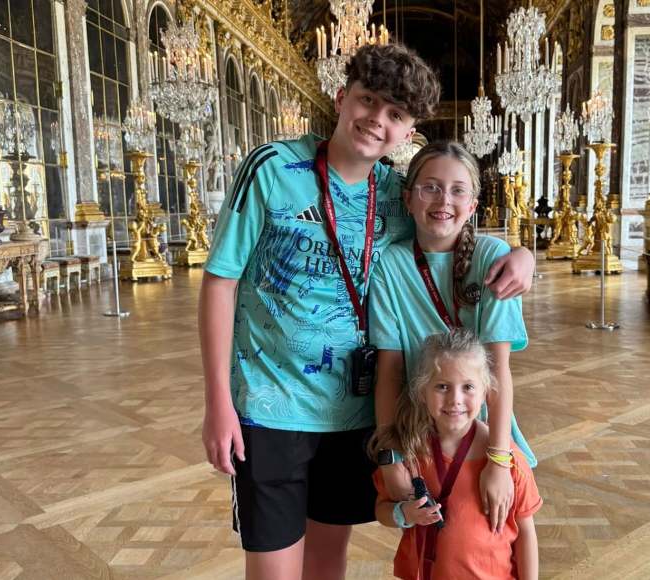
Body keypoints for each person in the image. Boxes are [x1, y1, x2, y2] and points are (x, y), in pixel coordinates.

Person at [199, 44, 536, 580]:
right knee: (272, 569)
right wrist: (218, 401)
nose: (377, 119)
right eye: (368, 100)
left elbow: (448, 229)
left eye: (395, 114)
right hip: (271, 407)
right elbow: (220, 282)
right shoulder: (272, 168)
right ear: (341, 98)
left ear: (407, 133)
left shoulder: (398, 194)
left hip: (352, 415)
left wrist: (522, 255)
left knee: (327, 562)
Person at [369, 141, 536, 534]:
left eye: (458, 190)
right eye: (430, 187)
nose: (444, 200)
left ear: (472, 205)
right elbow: (389, 371)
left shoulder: (493, 258)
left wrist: (499, 461)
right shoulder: (390, 265)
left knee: (499, 539)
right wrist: (391, 457)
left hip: (485, 434)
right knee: (435, 547)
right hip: (420, 438)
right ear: (408, 199)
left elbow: (498, 371)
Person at [372, 330, 541, 580]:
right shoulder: (410, 452)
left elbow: (526, 533)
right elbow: (382, 510)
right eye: (442, 387)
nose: (455, 399)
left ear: (486, 393)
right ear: (422, 391)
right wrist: (403, 513)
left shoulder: (510, 461)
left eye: (468, 387)